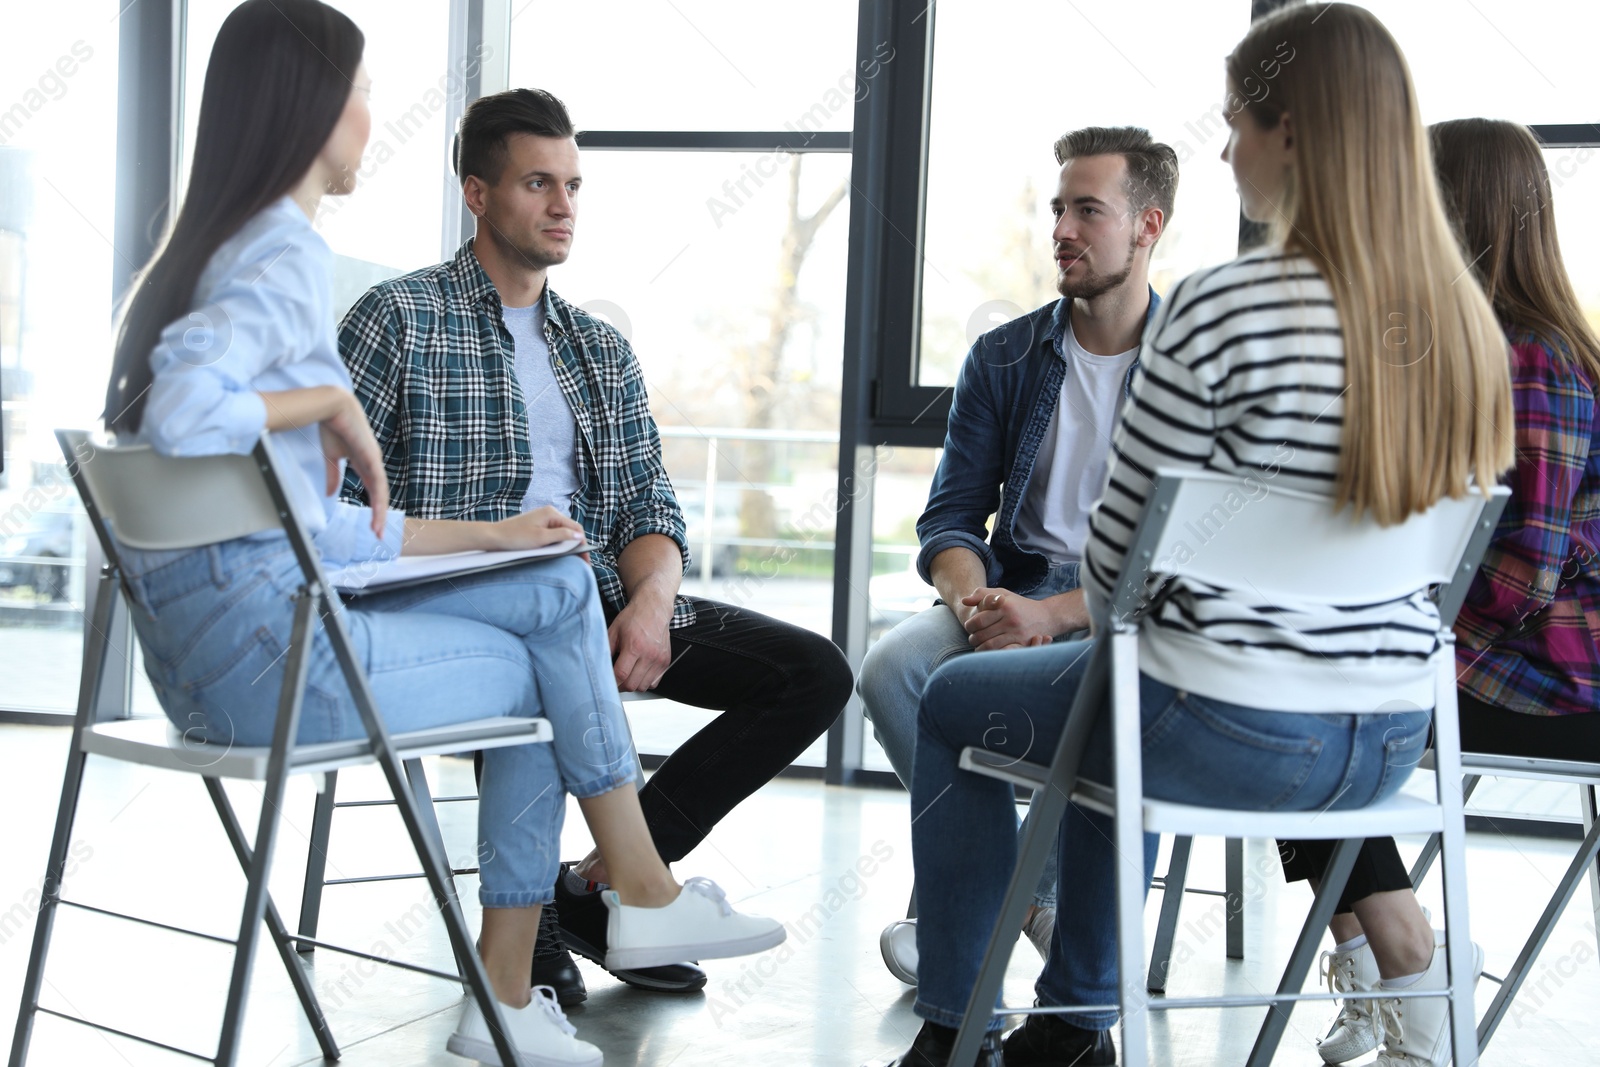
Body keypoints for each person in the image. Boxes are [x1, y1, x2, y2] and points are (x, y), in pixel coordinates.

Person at [100, 4, 784, 1065]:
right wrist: (320, 400)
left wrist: (493, 532)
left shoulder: (214, 245)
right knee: (549, 659)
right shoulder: (285, 255)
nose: (373, 117)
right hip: (278, 666)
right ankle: (557, 953)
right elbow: (182, 415)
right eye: (365, 91)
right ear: (312, 103)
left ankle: (579, 938)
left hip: (217, 654)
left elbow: (307, 520)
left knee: (557, 585)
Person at [864, 5, 1514, 1066]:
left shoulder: (1222, 310)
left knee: (957, 698)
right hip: (1390, 744)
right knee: (1098, 701)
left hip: (1226, 731)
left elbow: (1119, 577)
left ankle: (973, 1025)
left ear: (1292, 130)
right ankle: (1068, 1018)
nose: (1225, 149)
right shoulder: (1463, 322)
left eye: (1237, 125)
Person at [336, 87, 853, 1001]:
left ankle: (599, 887)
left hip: (597, 588)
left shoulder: (599, 348)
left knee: (811, 672)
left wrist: (652, 603)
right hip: (458, 602)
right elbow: (340, 514)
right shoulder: (396, 319)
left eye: (574, 184)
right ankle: (531, 919)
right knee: (536, 637)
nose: (564, 204)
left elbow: (651, 508)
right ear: (477, 193)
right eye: (538, 183)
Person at [1278, 115, 1600, 1067]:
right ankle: (1385, 963)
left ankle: (1407, 965)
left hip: (1551, 678)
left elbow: (1515, 579)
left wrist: (1368, 612)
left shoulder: (1532, 358)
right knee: (1274, 682)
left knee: (1292, 707)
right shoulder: (1457, 348)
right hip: (1495, 655)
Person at [859, 125, 1175, 984]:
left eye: (1088, 210)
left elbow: (1181, 554)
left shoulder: (1195, 361)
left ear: (1148, 226)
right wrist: (973, 605)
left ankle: (983, 911)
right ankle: (1029, 907)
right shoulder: (1004, 355)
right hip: (1013, 585)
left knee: (1106, 708)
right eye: (1057, 209)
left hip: (1124, 608)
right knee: (893, 669)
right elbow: (952, 518)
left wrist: (1057, 616)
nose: (1062, 230)